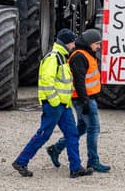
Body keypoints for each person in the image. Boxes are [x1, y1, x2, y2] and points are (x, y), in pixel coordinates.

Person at [12, 29, 93, 179]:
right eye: (72, 42)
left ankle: (76, 168)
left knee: (71, 134)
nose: (74, 45)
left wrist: (62, 103)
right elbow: (47, 81)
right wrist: (55, 101)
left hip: (62, 105)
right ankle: (21, 161)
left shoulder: (60, 57)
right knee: (44, 134)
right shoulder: (54, 58)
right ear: (66, 43)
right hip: (55, 105)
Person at [47, 29, 111, 173]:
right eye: (97, 44)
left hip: (85, 98)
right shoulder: (80, 56)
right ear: (89, 43)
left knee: (81, 128)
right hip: (84, 99)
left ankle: (55, 148)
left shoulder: (85, 54)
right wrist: (85, 101)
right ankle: (93, 161)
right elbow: (79, 81)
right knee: (93, 129)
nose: (99, 46)